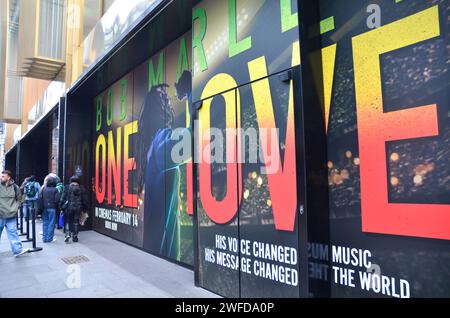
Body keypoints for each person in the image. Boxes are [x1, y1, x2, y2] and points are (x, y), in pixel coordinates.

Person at [0, 170, 29, 257]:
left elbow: (19, 199)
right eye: (0, 176)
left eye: (3, 176)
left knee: (13, 233)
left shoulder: (15, 187)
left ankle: (17, 250)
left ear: (8, 177)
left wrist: (16, 207)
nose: (1, 178)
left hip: (11, 215)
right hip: (0, 215)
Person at [60, 175, 88, 243]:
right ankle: (75, 236)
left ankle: (67, 234)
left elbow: (63, 198)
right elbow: (85, 200)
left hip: (68, 207)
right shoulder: (81, 188)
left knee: (68, 221)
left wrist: (61, 206)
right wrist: (85, 209)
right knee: (76, 222)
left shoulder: (67, 187)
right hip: (78, 208)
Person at [38, 177, 60, 243]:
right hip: (52, 208)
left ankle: (44, 238)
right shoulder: (55, 190)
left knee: (45, 223)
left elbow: (40, 198)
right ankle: (49, 238)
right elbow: (57, 200)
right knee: (51, 223)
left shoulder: (43, 189)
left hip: (44, 207)